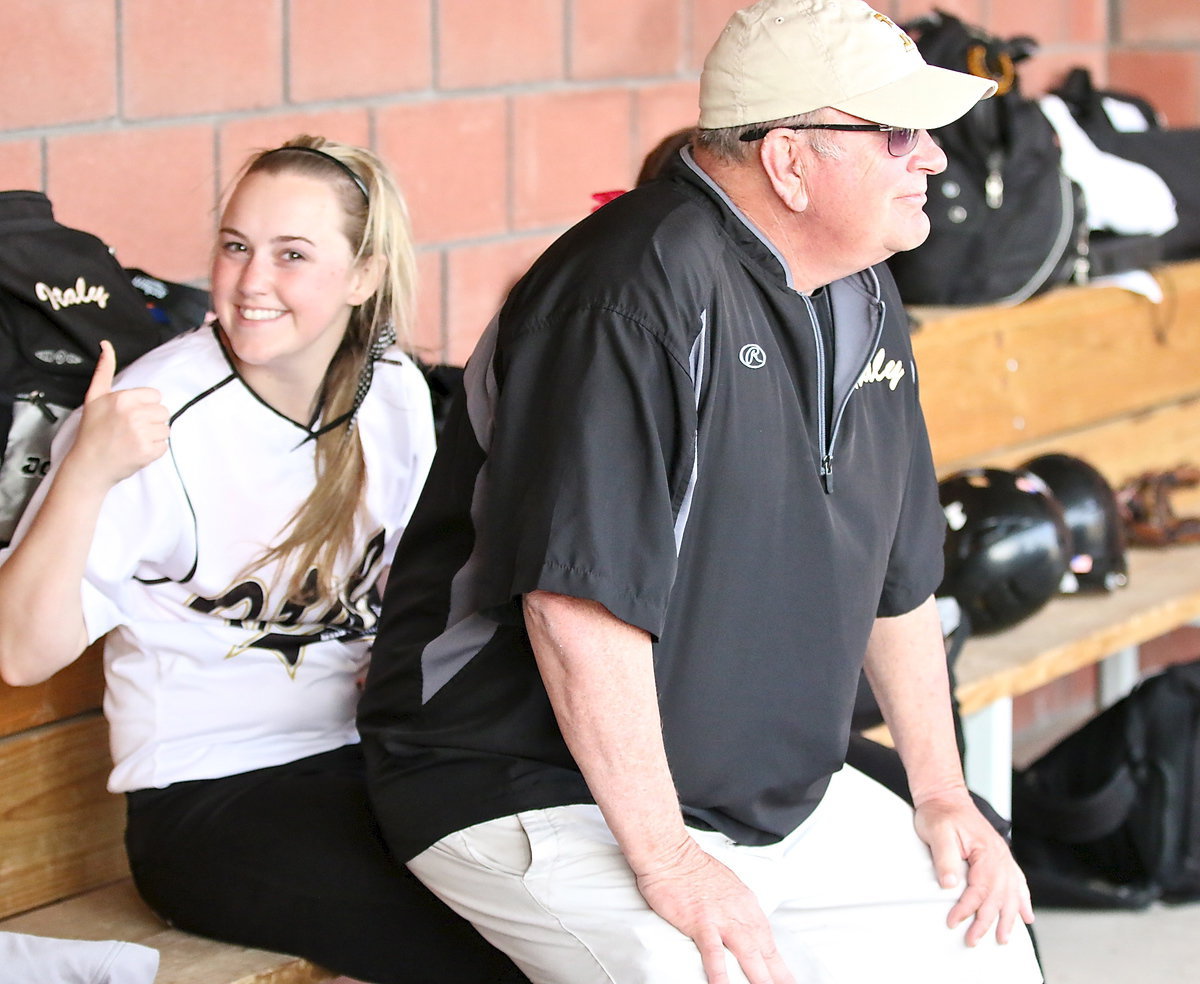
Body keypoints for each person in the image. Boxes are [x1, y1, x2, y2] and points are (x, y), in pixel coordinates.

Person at [358, 1, 1043, 982]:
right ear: (790, 160)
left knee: (982, 946)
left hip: (764, 793)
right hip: (540, 787)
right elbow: (574, 607)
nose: (932, 157)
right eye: (898, 133)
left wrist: (940, 791)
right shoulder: (627, 291)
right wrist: (669, 858)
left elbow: (899, 581)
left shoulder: (862, 287)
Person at [0, 136, 526, 984]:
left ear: (362, 276)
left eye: (292, 255)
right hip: (210, 797)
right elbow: (21, 653)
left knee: (563, 884)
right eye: (236, 246)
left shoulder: (392, 390)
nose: (251, 281)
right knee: (488, 943)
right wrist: (87, 470)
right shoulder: (152, 415)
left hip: (371, 754)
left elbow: (422, 589)